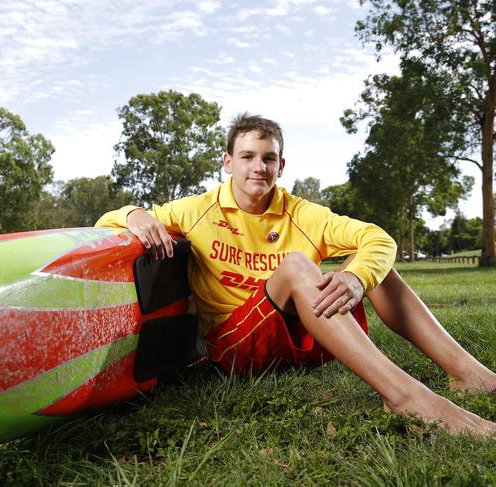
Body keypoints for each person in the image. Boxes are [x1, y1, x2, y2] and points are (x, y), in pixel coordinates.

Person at [96, 113, 496, 436]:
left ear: (281, 166)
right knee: (296, 266)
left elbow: (378, 238)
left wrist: (357, 277)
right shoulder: (195, 209)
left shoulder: (302, 212)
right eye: (248, 156)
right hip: (236, 349)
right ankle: (405, 396)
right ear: (228, 162)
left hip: (299, 339)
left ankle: (469, 374)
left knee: (373, 265)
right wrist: (133, 213)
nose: (259, 167)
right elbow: (103, 225)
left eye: (268, 158)